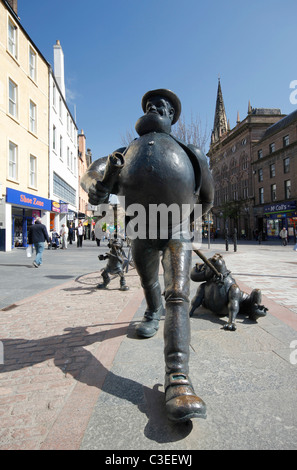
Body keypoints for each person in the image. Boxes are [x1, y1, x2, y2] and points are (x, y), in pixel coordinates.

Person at [81, 89, 214, 423]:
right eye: (150, 104)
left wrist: (187, 221)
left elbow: (208, 197)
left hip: (176, 229)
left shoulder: (192, 152)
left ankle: (178, 378)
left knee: (179, 295)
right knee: (147, 279)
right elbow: (93, 173)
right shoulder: (124, 152)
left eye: (163, 106)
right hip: (140, 229)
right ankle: (152, 313)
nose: (154, 107)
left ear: (172, 117)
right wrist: (94, 183)